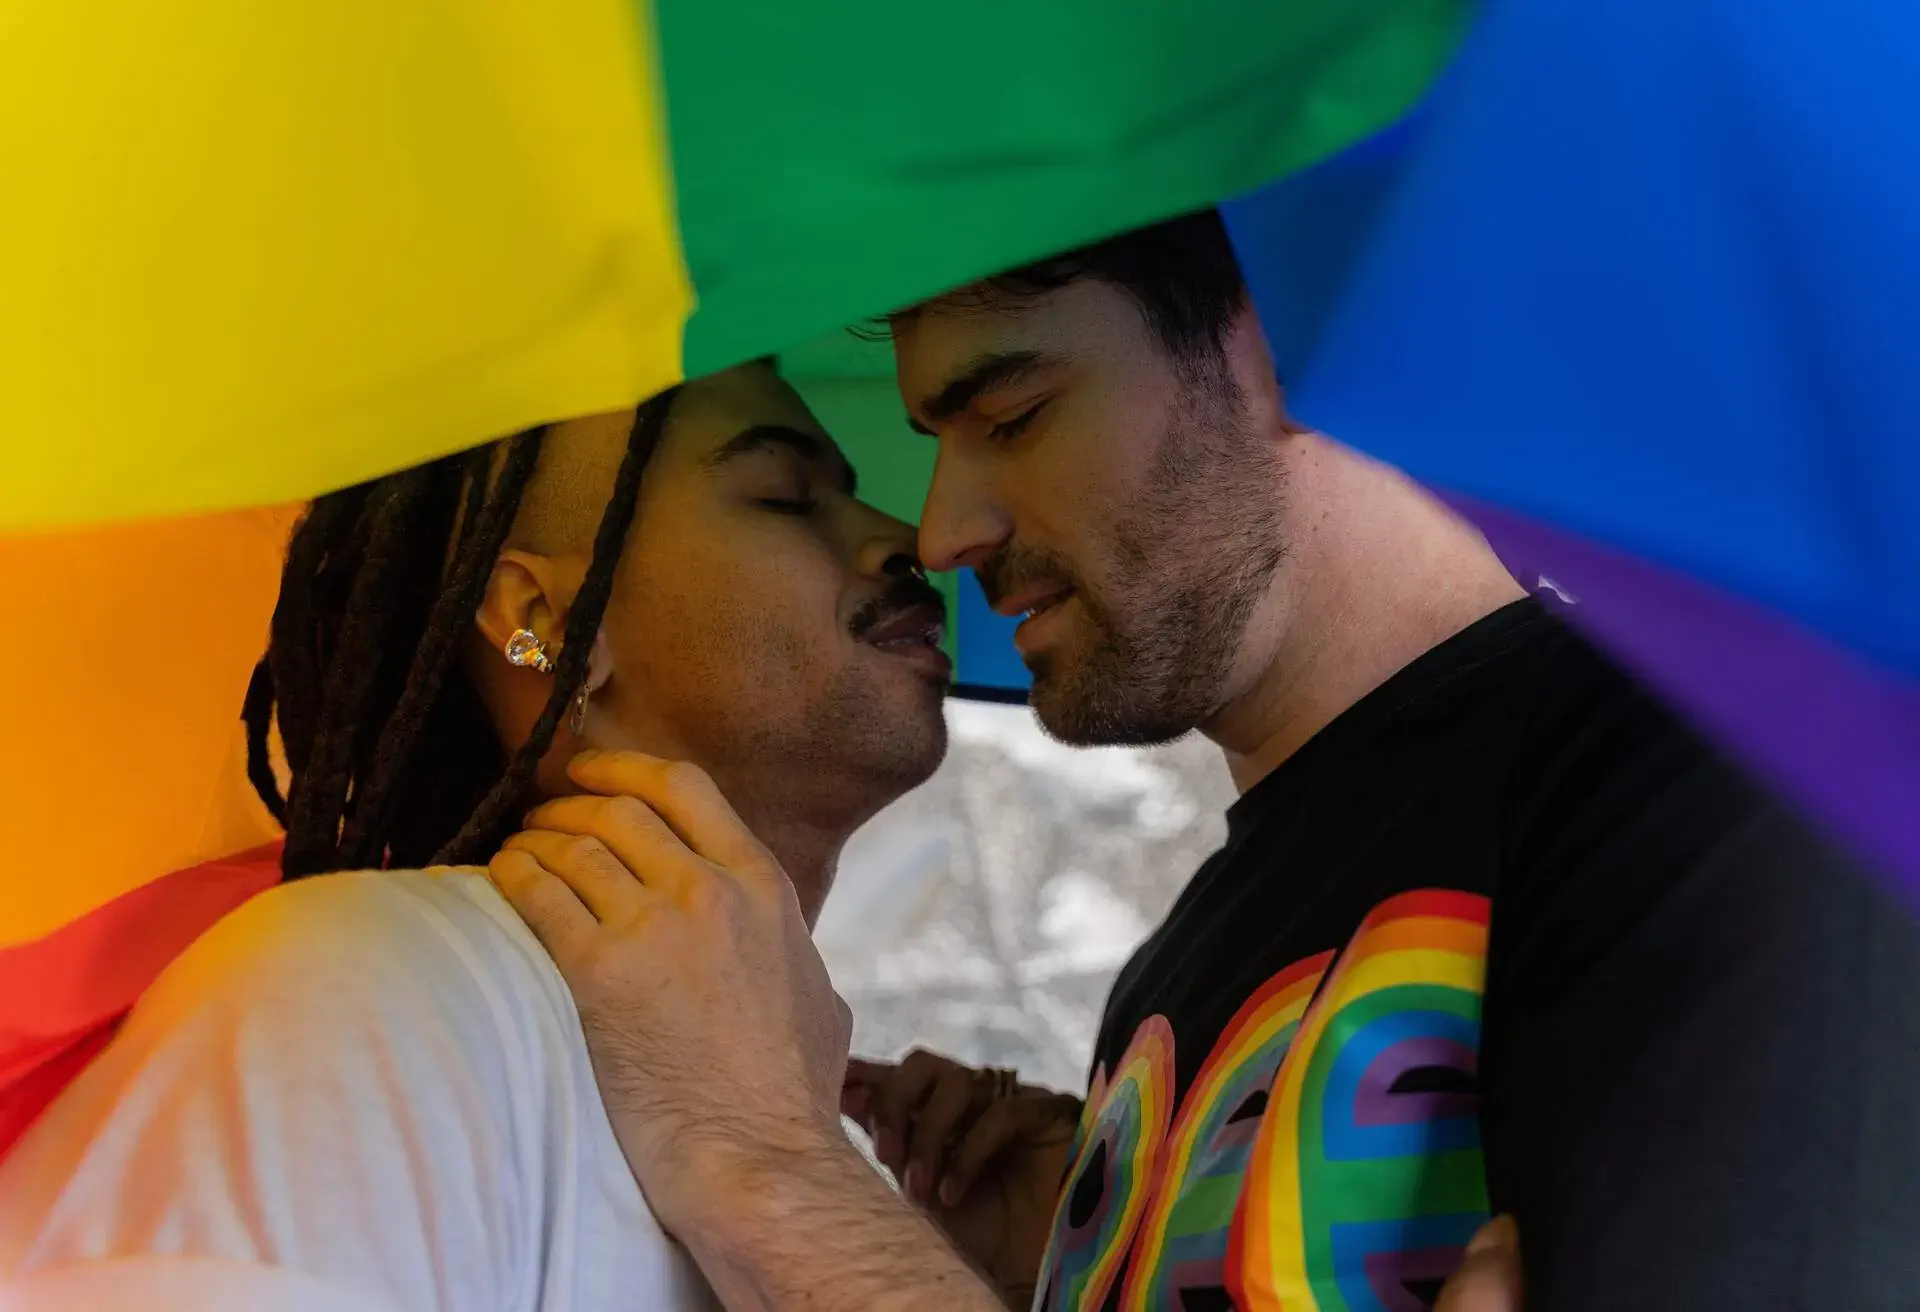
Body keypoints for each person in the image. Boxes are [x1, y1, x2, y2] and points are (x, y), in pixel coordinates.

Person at [489, 212, 1920, 1312]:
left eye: (1013, 413)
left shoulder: (1732, 777)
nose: (941, 532)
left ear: (1289, 333)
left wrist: (774, 1171)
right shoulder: (1174, 976)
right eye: (935, 442)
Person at [0, 360, 953, 1309]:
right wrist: (779, 1162)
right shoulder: (363, 992)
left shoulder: (792, 1120)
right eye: (786, 498)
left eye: (851, 492)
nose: (902, 538)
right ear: (546, 621)